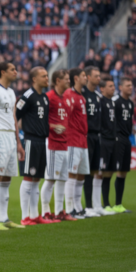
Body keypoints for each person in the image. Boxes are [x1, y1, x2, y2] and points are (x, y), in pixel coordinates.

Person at [0, 62, 25, 230]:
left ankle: (4, 218)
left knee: (6, 179)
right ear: (2, 72)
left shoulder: (10, 92)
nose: (16, 71)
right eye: (12, 69)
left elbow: (14, 118)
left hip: (10, 136)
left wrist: (18, 142)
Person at [16, 67, 55, 225]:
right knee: (28, 177)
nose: (47, 78)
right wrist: (19, 140)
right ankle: (25, 217)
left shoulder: (44, 97)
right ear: (34, 79)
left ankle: (35, 215)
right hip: (30, 140)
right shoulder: (27, 96)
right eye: (43, 76)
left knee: (36, 179)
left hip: (41, 141)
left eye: (47, 75)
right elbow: (15, 115)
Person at [41, 70, 76, 222]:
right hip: (53, 143)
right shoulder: (49, 97)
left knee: (62, 179)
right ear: (57, 81)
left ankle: (59, 211)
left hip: (65, 143)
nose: (69, 81)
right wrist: (53, 126)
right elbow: (40, 120)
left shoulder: (65, 98)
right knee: (50, 179)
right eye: (66, 79)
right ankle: (45, 211)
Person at [82, 67, 110, 216]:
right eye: (96, 76)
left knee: (94, 171)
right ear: (88, 77)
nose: (99, 78)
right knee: (85, 172)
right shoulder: (82, 94)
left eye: (99, 76)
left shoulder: (98, 96)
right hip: (85, 136)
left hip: (96, 136)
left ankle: (93, 205)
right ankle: (87, 206)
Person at [64, 68, 90, 219]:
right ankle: (69, 209)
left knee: (81, 175)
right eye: (83, 76)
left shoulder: (82, 97)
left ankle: (78, 206)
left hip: (83, 140)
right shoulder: (69, 95)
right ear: (76, 78)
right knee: (72, 173)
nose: (85, 78)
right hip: (73, 139)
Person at [109, 77, 133, 213]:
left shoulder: (130, 103)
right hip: (116, 139)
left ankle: (118, 204)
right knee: (109, 171)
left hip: (126, 139)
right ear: (121, 87)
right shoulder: (115, 102)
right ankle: (104, 204)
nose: (131, 87)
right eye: (128, 85)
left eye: (131, 85)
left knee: (123, 172)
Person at [98, 77, 119, 215]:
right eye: (110, 86)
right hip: (103, 140)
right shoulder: (100, 102)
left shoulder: (112, 102)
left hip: (113, 140)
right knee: (101, 173)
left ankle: (106, 203)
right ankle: (102, 203)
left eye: (113, 86)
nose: (113, 88)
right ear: (102, 88)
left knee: (110, 172)